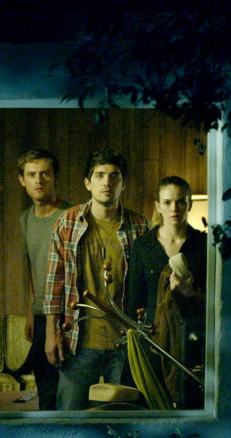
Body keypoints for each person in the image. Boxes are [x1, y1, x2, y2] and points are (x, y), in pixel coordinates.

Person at [43, 148, 149, 410]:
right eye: (99, 175)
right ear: (87, 183)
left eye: (114, 176)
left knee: (123, 420)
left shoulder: (139, 226)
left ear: (123, 183)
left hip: (125, 343)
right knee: (71, 420)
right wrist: (51, 333)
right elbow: (55, 282)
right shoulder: (67, 222)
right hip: (78, 342)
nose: (107, 182)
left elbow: (147, 286)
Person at [126, 176, 206, 408]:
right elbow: (134, 300)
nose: (174, 208)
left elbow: (216, 299)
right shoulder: (143, 246)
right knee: (151, 405)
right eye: (168, 202)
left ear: (190, 204)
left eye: (180, 202)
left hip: (193, 338)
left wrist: (191, 292)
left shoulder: (203, 244)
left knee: (192, 403)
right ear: (158, 206)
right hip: (152, 338)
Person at [17, 149, 71, 410]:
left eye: (44, 174)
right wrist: (31, 312)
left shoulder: (71, 216)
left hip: (67, 315)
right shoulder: (25, 219)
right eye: (31, 175)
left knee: (66, 396)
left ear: (55, 176)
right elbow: (32, 267)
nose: (38, 180)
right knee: (46, 396)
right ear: (22, 180)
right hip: (40, 316)